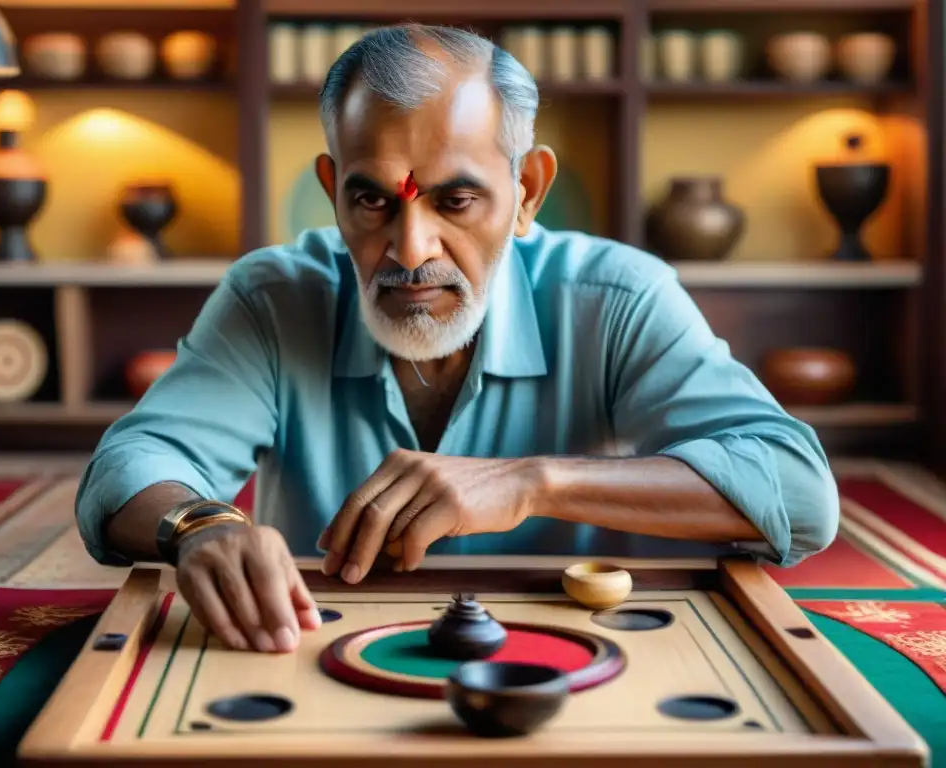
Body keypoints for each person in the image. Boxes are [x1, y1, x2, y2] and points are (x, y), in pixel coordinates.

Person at [75, 24, 839, 655]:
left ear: (528, 191)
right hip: (315, 654)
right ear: (331, 187)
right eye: (370, 198)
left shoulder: (614, 296)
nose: (411, 250)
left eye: (457, 199)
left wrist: (530, 482)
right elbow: (126, 470)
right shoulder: (275, 297)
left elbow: (797, 491)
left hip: (585, 663)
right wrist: (201, 524)